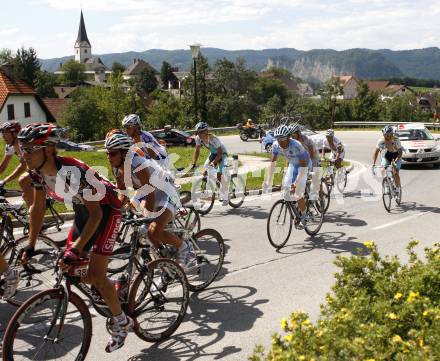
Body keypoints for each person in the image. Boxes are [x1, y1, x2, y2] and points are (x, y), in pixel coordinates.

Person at [18, 123, 132, 353]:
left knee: (96, 276)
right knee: (71, 269)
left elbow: (97, 214)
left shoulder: (71, 171)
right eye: (23, 149)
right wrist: (30, 244)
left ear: (49, 150)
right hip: (84, 212)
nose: (24, 155)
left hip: (106, 211)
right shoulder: (38, 172)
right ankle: (115, 287)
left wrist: (77, 247)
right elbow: (38, 209)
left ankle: (122, 321)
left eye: (30, 149)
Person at [104, 131, 195, 267]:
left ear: (123, 154)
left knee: (153, 229)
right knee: (148, 234)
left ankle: (184, 247)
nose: (109, 157)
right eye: (107, 153)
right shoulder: (116, 167)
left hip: (166, 191)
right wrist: (115, 210)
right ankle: (166, 261)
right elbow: (122, 193)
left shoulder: (136, 164)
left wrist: (149, 216)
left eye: (112, 153)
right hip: (150, 192)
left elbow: (150, 192)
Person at [263, 125, 310, 225]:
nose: (281, 142)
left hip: (304, 165)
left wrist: (296, 183)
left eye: (283, 139)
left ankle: (305, 215)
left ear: (288, 137)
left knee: (297, 193)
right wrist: (268, 180)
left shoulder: (296, 145)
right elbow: (273, 163)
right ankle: (296, 207)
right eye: (278, 139)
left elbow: (303, 166)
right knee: (285, 191)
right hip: (293, 164)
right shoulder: (275, 145)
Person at [191, 122, 229, 205]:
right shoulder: (198, 138)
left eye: (201, 132)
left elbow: (220, 153)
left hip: (222, 154)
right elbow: (197, 151)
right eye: (197, 132)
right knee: (205, 169)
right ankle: (213, 188)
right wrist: (193, 162)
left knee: (220, 174)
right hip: (213, 154)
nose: (199, 134)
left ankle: (226, 196)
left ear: (206, 131)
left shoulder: (213, 138)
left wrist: (214, 163)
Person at [0, 122, 34, 207]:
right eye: (2, 133)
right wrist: (4, 180)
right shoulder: (10, 146)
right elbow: (3, 166)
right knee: (26, 196)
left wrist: (5, 180)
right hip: (33, 170)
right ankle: (34, 215)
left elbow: (24, 166)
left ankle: (37, 213)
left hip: (42, 168)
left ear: (15, 133)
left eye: (6, 133)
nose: (3, 136)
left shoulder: (25, 144)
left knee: (23, 180)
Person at [289, 123, 320, 200]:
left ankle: (318, 194)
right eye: (291, 134)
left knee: (312, 175)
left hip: (313, 156)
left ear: (298, 133)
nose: (292, 136)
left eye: (293, 134)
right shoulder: (292, 141)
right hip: (302, 158)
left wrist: (307, 168)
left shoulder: (305, 139)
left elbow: (311, 154)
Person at [372, 125, 403, 191]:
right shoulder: (380, 141)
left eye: (388, 135)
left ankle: (397, 188)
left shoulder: (396, 140)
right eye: (385, 135)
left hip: (397, 155)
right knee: (383, 169)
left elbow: (400, 152)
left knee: (395, 172)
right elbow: (376, 152)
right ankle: (387, 183)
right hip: (387, 155)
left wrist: (396, 160)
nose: (386, 136)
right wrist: (373, 164)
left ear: (391, 134)